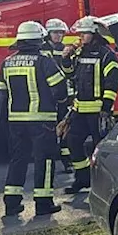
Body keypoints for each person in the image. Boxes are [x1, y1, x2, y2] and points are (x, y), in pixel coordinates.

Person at [0, 22, 68, 217]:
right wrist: (61, 104)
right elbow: (60, 90)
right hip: (42, 121)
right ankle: (43, 203)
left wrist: (2, 124)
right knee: (44, 160)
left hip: (16, 122)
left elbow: (2, 96)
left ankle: (11, 204)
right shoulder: (43, 61)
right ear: (39, 41)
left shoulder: (6, 63)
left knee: (18, 160)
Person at [64, 16, 118, 194]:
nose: (81, 37)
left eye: (85, 34)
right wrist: (66, 58)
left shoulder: (106, 54)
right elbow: (70, 74)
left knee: (100, 149)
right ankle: (82, 179)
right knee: (72, 141)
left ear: (94, 34)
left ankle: (102, 185)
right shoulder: (80, 52)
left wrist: (106, 108)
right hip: (80, 110)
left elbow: (113, 81)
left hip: (97, 111)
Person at [44, 18, 74, 174]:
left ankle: (67, 161)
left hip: (63, 96)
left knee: (64, 129)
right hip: (47, 97)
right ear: (48, 34)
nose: (58, 36)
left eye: (61, 33)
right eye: (55, 33)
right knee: (48, 130)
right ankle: (49, 161)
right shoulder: (42, 50)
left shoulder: (65, 50)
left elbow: (70, 72)